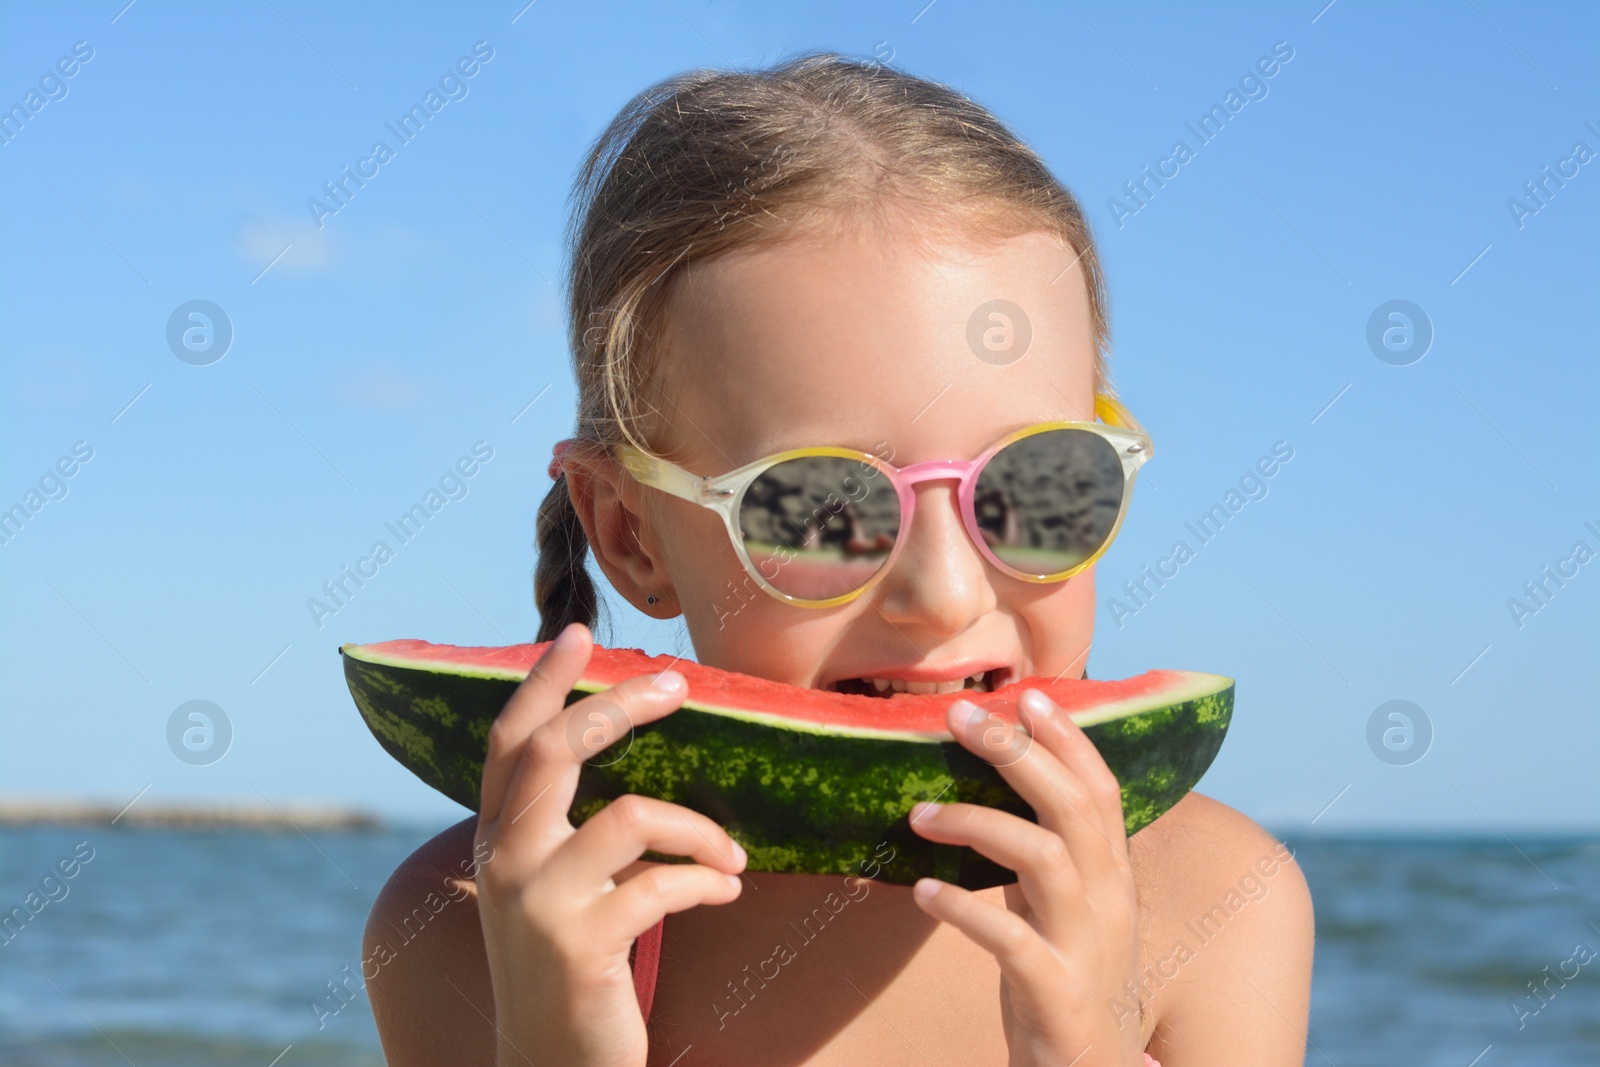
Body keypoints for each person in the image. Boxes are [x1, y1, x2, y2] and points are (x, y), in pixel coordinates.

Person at [364, 51, 1313, 1067]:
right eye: (821, 509)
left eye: (1040, 482)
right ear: (632, 531)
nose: (946, 592)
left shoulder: (1216, 902)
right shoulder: (469, 926)